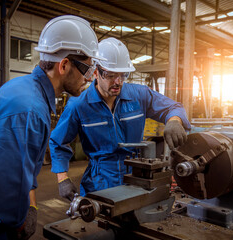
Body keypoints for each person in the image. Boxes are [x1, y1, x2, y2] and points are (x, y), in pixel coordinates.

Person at [0, 15, 103, 239]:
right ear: (64, 65)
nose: (90, 77)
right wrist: (18, 222)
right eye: (87, 68)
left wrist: (31, 206)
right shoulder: (28, 111)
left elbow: (22, 169)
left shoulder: (28, 91)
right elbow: (6, 197)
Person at [50, 37, 191, 200]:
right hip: (99, 181)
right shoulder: (79, 105)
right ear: (96, 72)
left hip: (138, 176)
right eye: (110, 75)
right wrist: (63, 179)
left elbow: (173, 107)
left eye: (123, 75)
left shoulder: (139, 95)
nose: (118, 82)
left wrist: (174, 120)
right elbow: (58, 142)